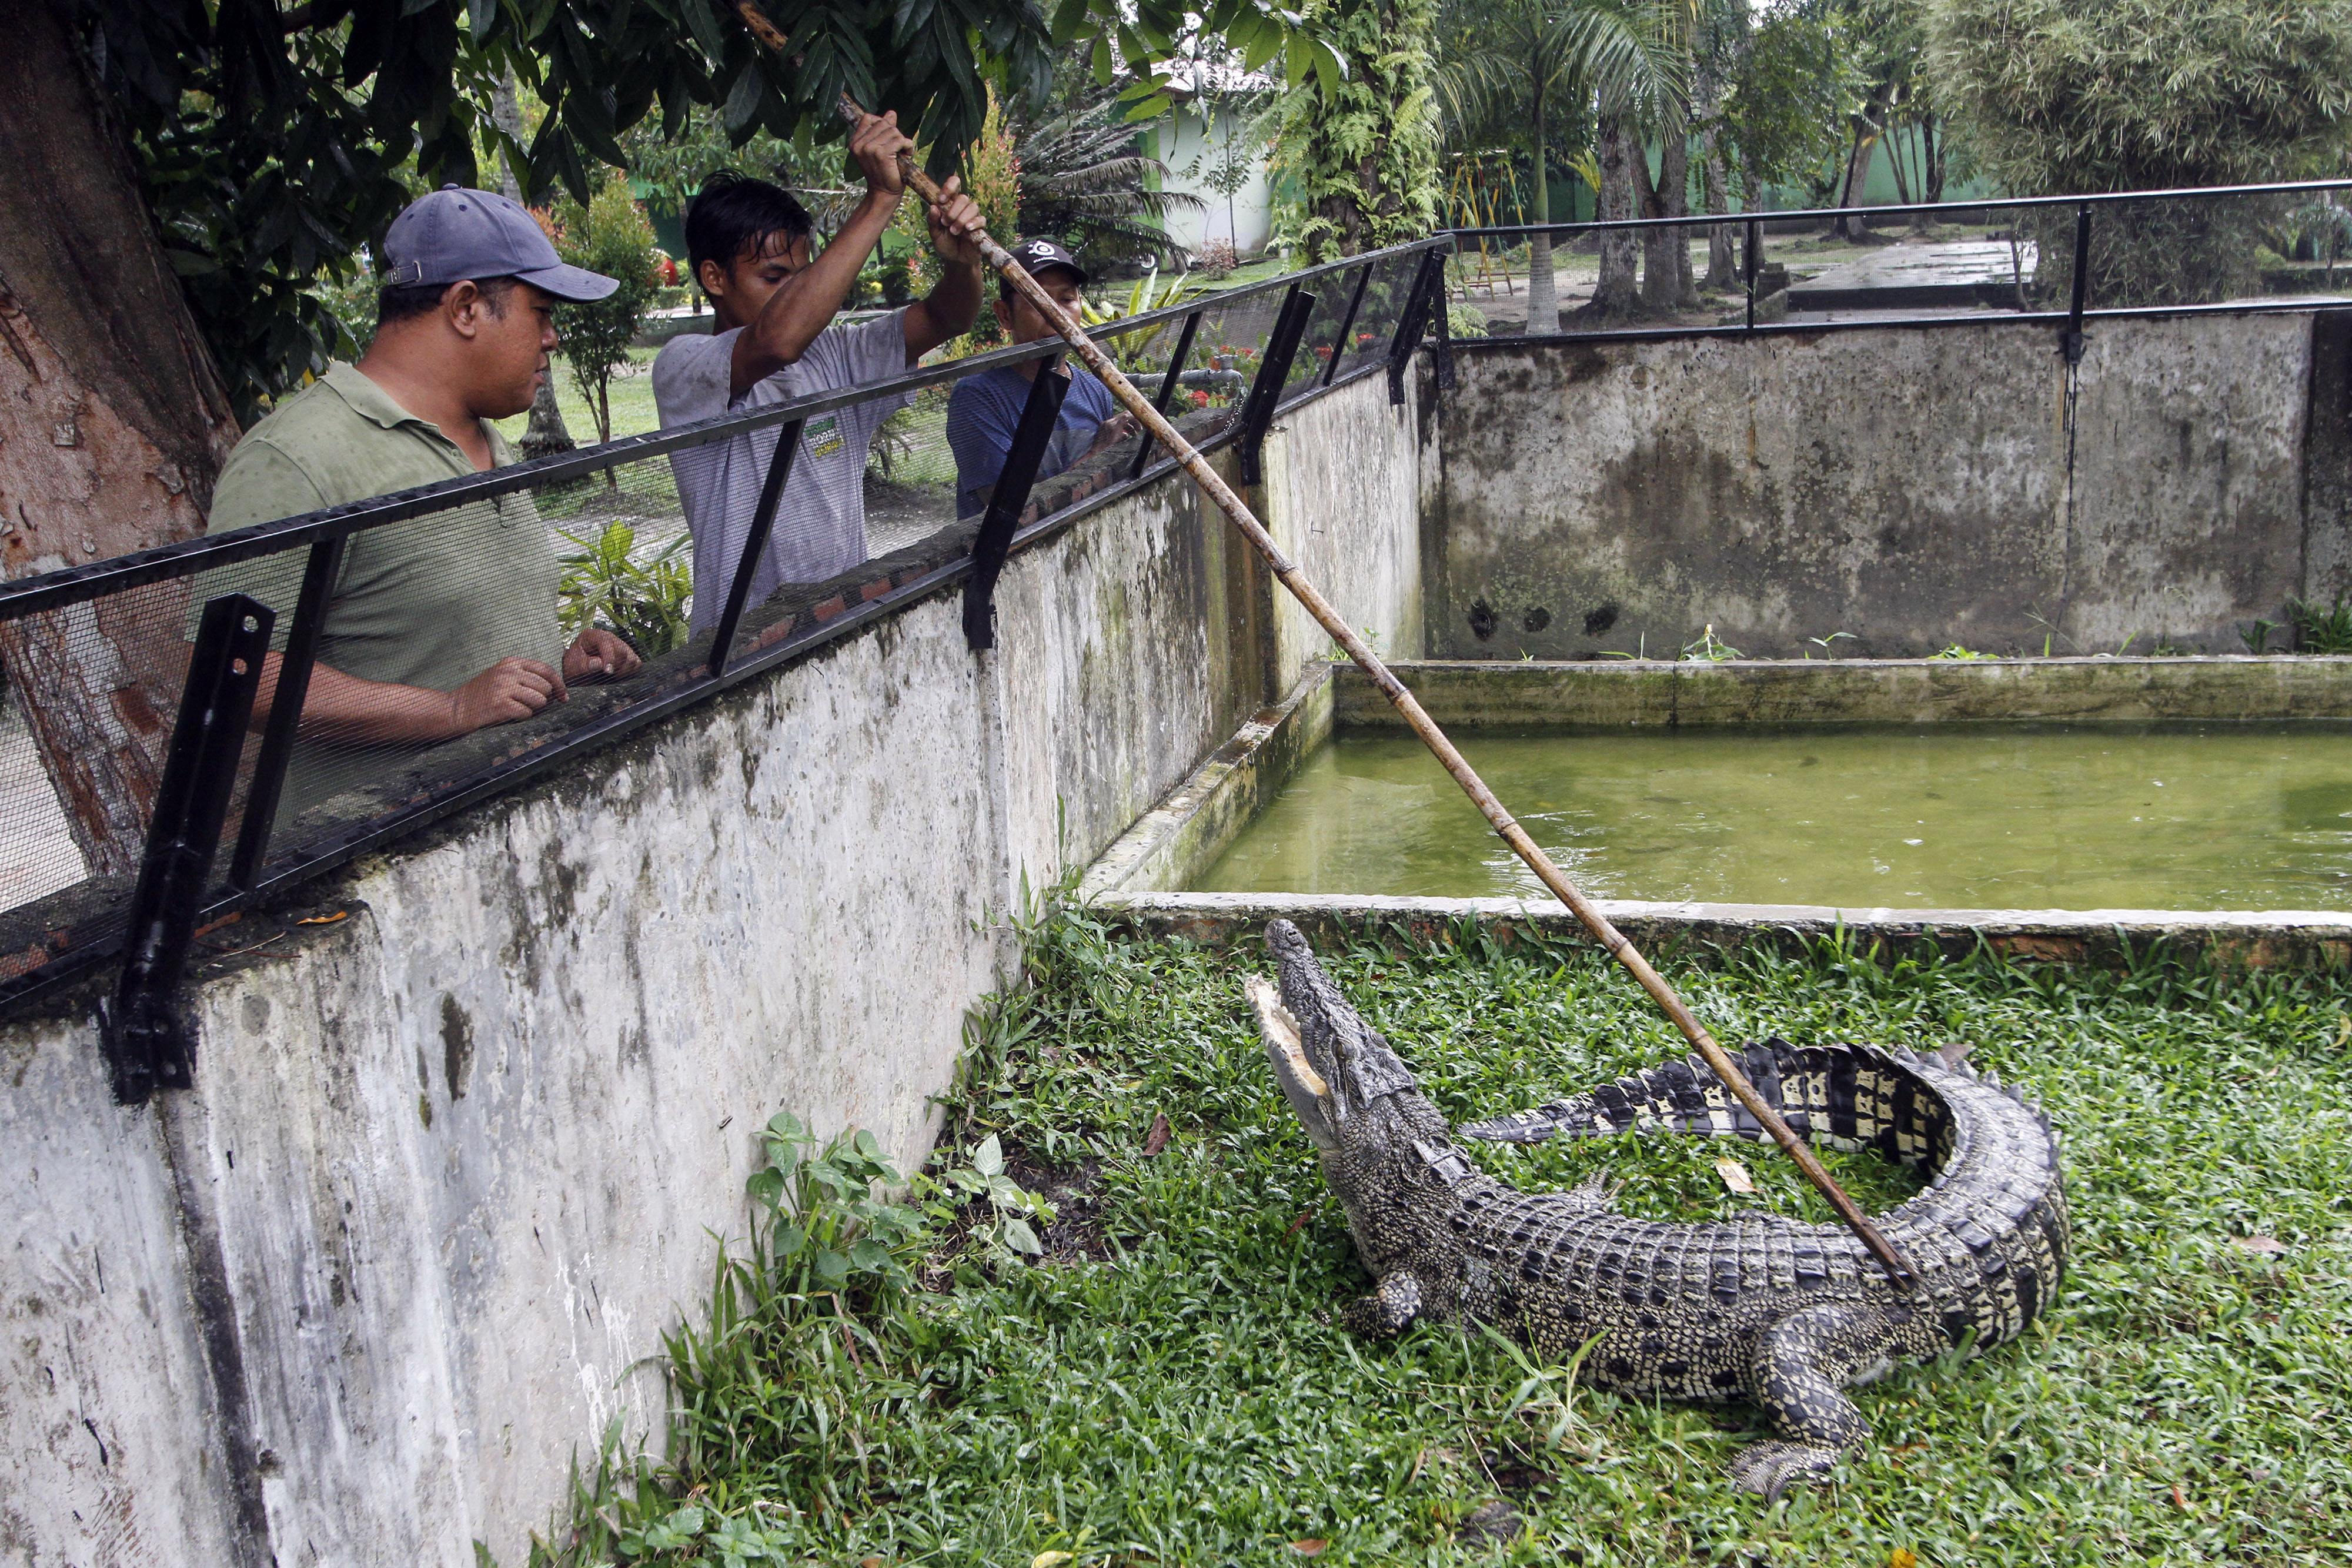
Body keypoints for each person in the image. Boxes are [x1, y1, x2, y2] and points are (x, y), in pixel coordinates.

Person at [197, 183, 643, 816]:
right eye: (540, 312)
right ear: (465, 308)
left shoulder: (488, 440)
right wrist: (451, 710)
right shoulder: (296, 458)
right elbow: (232, 673)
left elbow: (447, 640)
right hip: (380, 856)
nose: (552, 338)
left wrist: (557, 673)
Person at [652, 112, 985, 637]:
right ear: (713, 278)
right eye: (773, 277)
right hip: (737, 651)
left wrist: (963, 264)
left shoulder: (836, 356)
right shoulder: (686, 365)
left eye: (805, 278)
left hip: (842, 631)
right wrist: (880, 199)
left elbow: (948, 317)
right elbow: (777, 341)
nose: (797, 294)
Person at [944, 239, 1134, 519]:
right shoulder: (978, 397)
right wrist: (1098, 452)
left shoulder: (1095, 387)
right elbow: (1006, 513)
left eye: (1067, 300)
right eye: (1037, 301)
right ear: (1004, 314)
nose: (1057, 315)